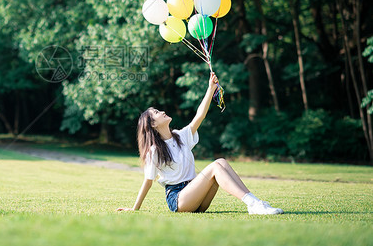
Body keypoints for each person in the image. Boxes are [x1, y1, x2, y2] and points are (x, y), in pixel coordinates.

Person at [117, 73, 283, 215]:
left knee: (221, 162)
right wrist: (134, 208)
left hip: (197, 196)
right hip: (179, 199)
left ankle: (254, 202)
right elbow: (148, 181)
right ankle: (253, 204)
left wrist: (211, 89)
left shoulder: (180, 136)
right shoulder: (154, 151)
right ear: (153, 125)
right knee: (215, 166)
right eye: (157, 113)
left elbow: (200, 115)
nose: (162, 112)